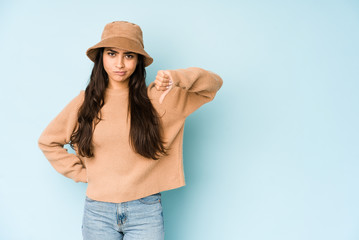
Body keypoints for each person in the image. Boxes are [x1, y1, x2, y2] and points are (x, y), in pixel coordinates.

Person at [37, 20, 223, 240]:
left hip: (145, 209)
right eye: (112, 54)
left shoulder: (157, 98)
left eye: (129, 55)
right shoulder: (85, 102)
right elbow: (48, 141)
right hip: (98, 211)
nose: (120, 64)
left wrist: (177, 78)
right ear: (101, 57)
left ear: (138, 61)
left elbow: (213, 84)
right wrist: (83, 173)